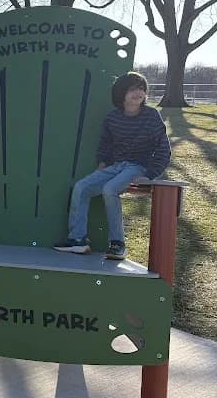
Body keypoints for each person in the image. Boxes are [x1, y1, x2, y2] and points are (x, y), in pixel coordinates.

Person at [54, 72, 171, 260]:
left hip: (138, 167)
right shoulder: (112, 119)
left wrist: (150, 174)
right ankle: (77, 240)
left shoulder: (151, 116)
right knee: (81, 187)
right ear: (121, 93)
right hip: (115, 166)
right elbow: (106, 145)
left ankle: (118, 244)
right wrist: (102, 164)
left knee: (110, 189)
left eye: (141, 89)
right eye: (132, 89)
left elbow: (164, 148)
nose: (138, 93)